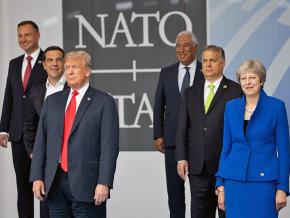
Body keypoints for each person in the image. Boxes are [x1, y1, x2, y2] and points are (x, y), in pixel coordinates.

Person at [30, 51, 119, 218]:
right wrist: (37, 176)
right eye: (67, 68)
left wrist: (104, 182)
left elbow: (110, 147)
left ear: (87, 71)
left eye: (75, 67)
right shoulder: (52, 101)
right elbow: (41, 141)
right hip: (54, 183)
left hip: (88, 184)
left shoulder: (104, 101)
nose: (69, 72)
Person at [215, 60, 290, 218]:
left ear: (261, 81)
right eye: (243, 78)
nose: (247, 82)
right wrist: (220, 185)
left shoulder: (276, 107)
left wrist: (282, 188)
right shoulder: (231, 107)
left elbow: (284, 152)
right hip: (234, 182)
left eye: (252, 78)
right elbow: (226, 148)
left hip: (264, 183)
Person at [175, 45, 243, 218]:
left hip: (225, 166)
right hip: (197, 167)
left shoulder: (236, 91)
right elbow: (183, 127)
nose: (207, 64)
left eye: (212, 60)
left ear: (223, 63)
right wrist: (181, 157)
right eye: (204, 61)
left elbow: (240, 132)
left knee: (228, 213)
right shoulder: (190, 92)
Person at [153, 31, 203, 218]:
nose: (181, 50)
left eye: (186, 45)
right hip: (173, 140)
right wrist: (158, 134)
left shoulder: (205, 71)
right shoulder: (167, 72)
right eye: (178, 46)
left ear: (195, 48)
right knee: (174, 194)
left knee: (200, 194)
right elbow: (159, 104)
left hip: (200, 142)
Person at [0, 20, 47, 218]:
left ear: (37, 36)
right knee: (23, 188)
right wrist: (3, 129)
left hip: (42, 133)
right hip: (18, 134)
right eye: (19, 35)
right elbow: (9, 96)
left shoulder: (50, 60)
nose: (23, 39)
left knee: (46, 188)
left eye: (27, 35)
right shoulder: (14, 63)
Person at [23, 46, 66, 218]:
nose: (54, 64)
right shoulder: (35, 92)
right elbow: (29, 125)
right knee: (47, 209)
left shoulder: (75, 88)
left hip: (67, 160)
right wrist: (33, 152)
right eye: (50, 60)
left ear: (64, 63)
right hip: (45, 161)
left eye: (58, 59)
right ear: (44, 64)